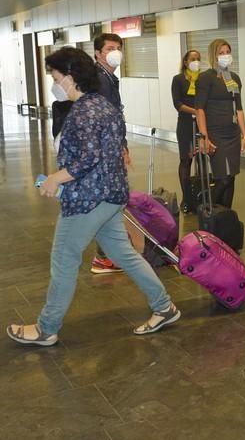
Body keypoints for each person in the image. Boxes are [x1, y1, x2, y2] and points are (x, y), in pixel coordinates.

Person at [6, 47, 180, 347]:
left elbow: (86, 159)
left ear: (70, 78)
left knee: (63, 258)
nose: (54, 83)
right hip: (111, 195)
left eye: (55, 76)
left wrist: (53, 180)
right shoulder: (103, 105)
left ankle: (46, 328)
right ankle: (164, 307)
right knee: (124, 254)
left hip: (89, 200)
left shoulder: (84, 111)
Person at [195, 38, 245, 210]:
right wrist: (204, 136)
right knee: (222, 177)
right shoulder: (206, 78)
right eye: (221, 53)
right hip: (215, 133)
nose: (225, 56)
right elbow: (199, 110)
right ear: (213, 55)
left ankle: (225, 215)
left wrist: (244, 135)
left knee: (231, 176)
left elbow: (239, 109)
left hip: (232, 133)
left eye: (227, 52)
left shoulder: (233, 78)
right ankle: (207, 210)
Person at [90, 33, 126, 274]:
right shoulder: (99, 81)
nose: (116, 52)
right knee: (108, 201)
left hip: (111, 147)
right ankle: (103, 257)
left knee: (111, 201)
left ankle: (107, 254)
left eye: (119, 48)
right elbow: (104, 119)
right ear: (98, 54)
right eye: (110, 48)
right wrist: (116, 148)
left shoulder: (110, 78)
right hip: (105, 151)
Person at [171, 49, 201, 213]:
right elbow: (178, 104)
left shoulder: (202, 79)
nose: (196, 61)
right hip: (185, 125)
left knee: (202, 161)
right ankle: (186, 198)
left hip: (202, 125)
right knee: (186, 160)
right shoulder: (178, 80)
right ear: (185, 62)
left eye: (198, 59)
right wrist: (196, 111)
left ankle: (200, 195)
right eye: (192, 59)